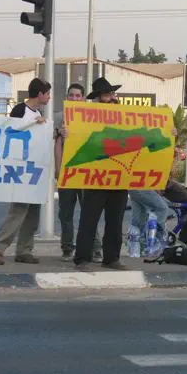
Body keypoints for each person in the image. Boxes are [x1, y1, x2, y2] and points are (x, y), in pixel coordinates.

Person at [0, 78, 51, 265]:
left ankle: (24, 250)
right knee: (19, 210)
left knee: (33, 213)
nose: (49, 97)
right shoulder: (20, 111)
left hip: (35, 169)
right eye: (47, 93)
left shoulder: (37, 113)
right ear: (39, 93)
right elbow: (11, 134)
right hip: (21, 169)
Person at [74, 77, 129, 271]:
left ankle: (111, 258)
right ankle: (82, 258)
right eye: (108, 95)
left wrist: (169, 132)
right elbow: (77, 139)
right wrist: (66, 133)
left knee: (115, 221)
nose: (113, 97)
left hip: (119, 176)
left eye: (113, 94)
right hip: (95, 177)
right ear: (98, 98)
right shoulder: (86, 117)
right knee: (89, 220)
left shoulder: (125, 116)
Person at [54, 83, 102, 262]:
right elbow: (55, 145)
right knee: (65, 213)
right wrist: (58, 170)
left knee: (89, 212)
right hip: (67, 172)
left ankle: (95, 248)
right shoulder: (59, 117)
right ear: (66, 97)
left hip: (86, 172)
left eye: (77, 95)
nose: (74, 98)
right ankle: (67, 248)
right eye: (71, 95)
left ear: (83, 98)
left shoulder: (91, 116)